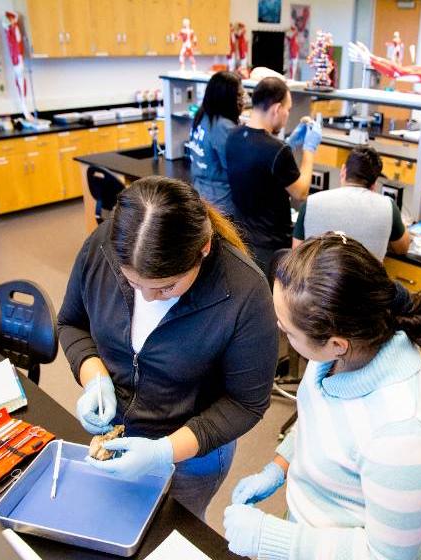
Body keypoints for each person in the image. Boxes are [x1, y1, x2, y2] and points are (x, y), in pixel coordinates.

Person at [57, 177, 278, 520]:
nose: (147, 297)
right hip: (115, 436)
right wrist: (94, 376)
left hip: (192, 454)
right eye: (133, 283)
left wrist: (165, 452)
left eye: (165, 287)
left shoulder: (244, 293)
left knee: (171, 538)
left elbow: (245, 402)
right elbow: (71, 323)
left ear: (203, 249)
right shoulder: (104, 246)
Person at [223, 233, 421, 559]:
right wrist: (280, 466)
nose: (278, 329)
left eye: (286, 330)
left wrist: (272, 538)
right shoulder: (338, 349)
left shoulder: (401, 434)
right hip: (307, 529)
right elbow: (322, 420)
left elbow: (391, 556)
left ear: (337, 343)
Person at [226, 76, 323, 275]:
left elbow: (260, 163)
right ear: (277, 109)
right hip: (271, 247)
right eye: (287, 109)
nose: (288, 114)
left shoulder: (233, 136)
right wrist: (309, 149)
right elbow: (301, 192)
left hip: (241, 239)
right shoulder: (276, 150)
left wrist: (286, 143)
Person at [292, 145, 410, 260]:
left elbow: (296, 255)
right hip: (365, 279)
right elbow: (402, 249)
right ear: (374, 183)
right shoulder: (388, 207)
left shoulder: (311, 203)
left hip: (316, 279)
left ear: (343, 170)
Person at [188, 71, 244, 216]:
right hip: (222, 204)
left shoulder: (202, 116)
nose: (243, 101)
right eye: (239, 96)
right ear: (226, 97)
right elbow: (235, 169)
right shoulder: (223, 127)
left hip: (201, 196)